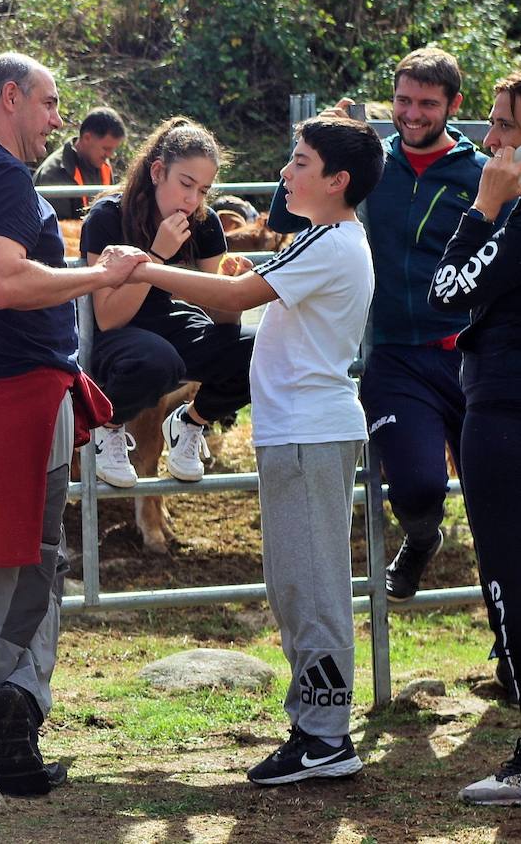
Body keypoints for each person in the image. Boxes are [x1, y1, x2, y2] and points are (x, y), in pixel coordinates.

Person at [128, 116, 384, 784]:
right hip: (296, 431)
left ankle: (326, 735)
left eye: (300, 162)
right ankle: (314, 725)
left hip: (308, 432)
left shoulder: (331, 243)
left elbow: (236, 297)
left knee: (312, 585)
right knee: (295, 582)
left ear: (337, 180)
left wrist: (148, 267)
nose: (286, 173)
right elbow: (252, 290)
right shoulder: (325, 240)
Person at [0, 52, 148, 795]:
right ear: (11, 97)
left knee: (16, 569)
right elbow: (3, 279)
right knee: (17, 572)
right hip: (8, 396)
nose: (59, 120)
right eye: (50, 104)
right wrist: (99, 275)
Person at [269, 47, 512, 603]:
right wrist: (321, 144)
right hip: (397, 352)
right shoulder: (370, 164)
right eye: (403, 100)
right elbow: (285, 216)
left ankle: (507, 650)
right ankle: (422, 537)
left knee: (495, 506)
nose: (413, 113)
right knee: (419, 486)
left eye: (428, 103)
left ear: (453, 105)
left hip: (472, 355)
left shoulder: (481, 174)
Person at [429, 70, 521, 805]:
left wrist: (485, 206)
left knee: (513, 579)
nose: (487, 141)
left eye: (503, 128)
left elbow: (447, 292)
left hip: (507, 411)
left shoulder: (515, 218)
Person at [82, 117, 255, 488]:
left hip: (171, 322)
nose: (192, 201)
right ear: (158, 171)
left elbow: (224, 320)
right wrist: (156, 256)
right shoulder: (109, 216)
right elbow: (108, 318)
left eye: (204, 191)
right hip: (118, 334)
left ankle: (191, 423)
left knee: (264, 348)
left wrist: (232, 286)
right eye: (186, 184)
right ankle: (107, 426)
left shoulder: (204, 223)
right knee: (158, 359)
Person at [34, 107, 127, 219]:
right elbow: (58, 228)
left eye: (113, 149)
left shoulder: (103, 165)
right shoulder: (53, 174)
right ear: (87, 138)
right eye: (106, 148)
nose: (110, 155)